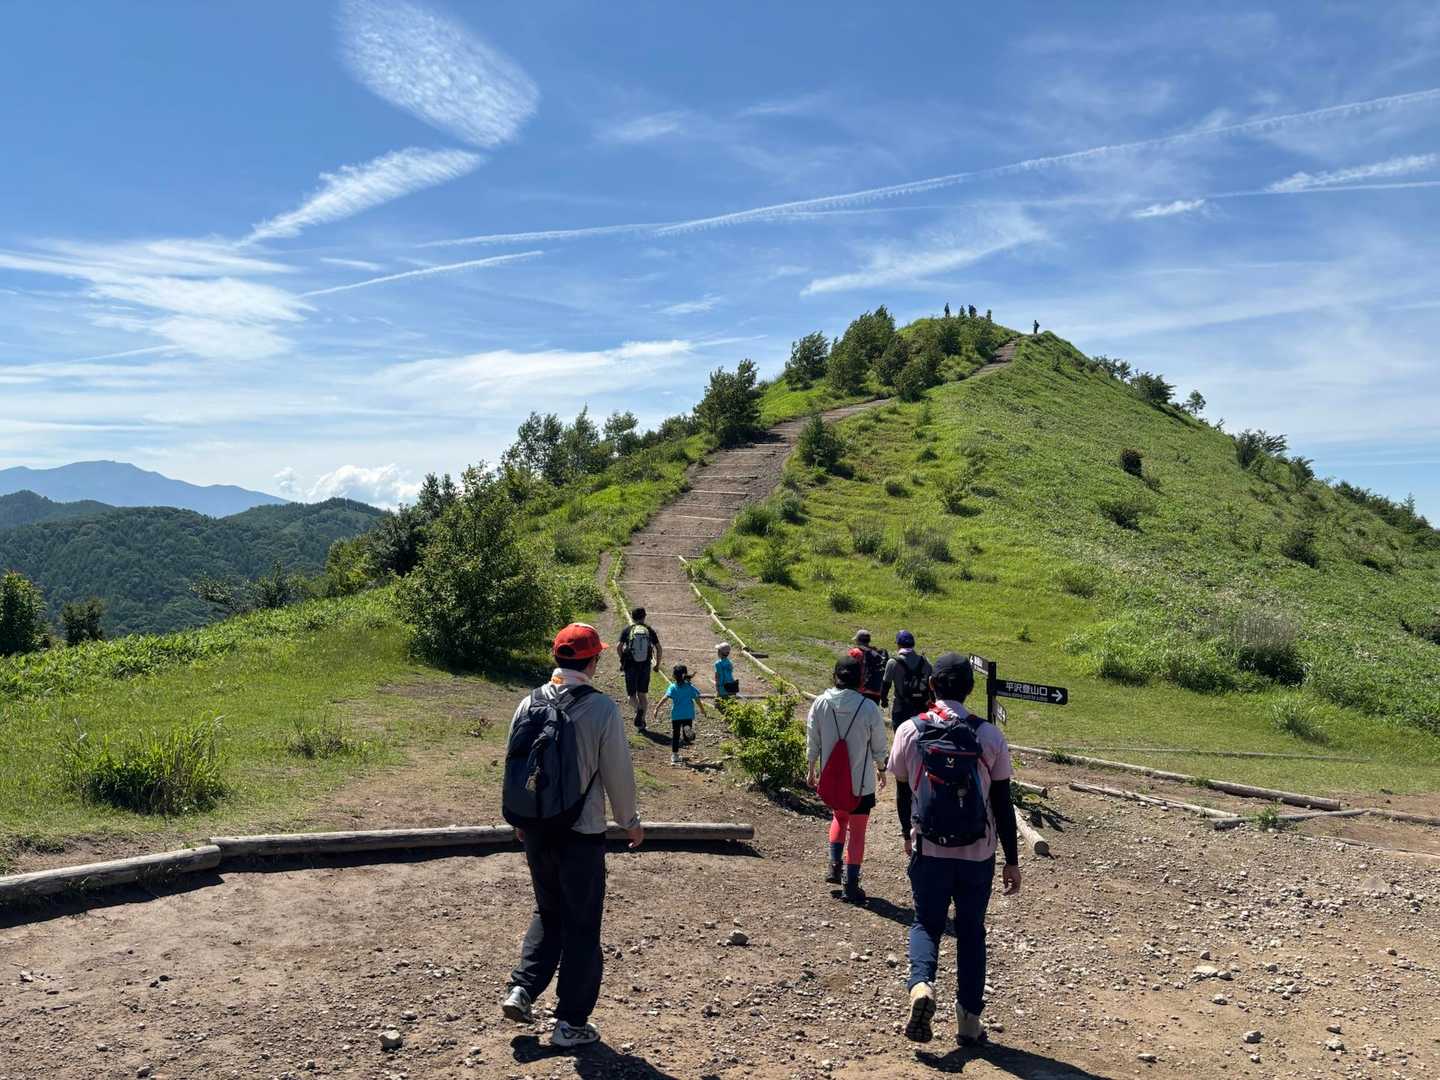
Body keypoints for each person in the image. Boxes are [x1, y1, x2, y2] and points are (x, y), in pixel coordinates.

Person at [501, 623, 644, 1049]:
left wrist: (521, 819)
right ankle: (570, 1023)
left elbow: (514, 766)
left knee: (548, 911)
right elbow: (617, 771)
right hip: (581, 833)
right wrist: (630, 821)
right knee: (582, 925)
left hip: (537, 829)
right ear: (593, 661)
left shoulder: (528, 702)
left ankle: (522, 988)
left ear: (557, 658)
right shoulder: (601, 709)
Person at [888, 652, 1020, 1047]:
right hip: (978, 853)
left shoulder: (910, 730)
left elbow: (902, 793)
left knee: (926, 924)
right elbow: (1002, 803)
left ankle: (921, 985)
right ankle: (968, 1021)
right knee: (971, 932)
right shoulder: (989, 736)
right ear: (970, 688)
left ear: (932, 685)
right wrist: (1012, 861)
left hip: (929, 848)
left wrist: (907, 834)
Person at [806, 654, 888, 904]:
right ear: (860, 679)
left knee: (838, 818)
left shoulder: (820, 702)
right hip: (860, 782)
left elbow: (812, 738)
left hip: (832, 779)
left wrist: (811, 768)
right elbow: (879, 744)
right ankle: (851, 884)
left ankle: (834, 866)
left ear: (835, 676)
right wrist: (881, 768)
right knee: (858, 832)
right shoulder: (868, 708)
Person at [617, 607, 662, 729]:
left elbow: (619, 647)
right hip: (645, 665)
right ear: (644, 617)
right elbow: (659, 648)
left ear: (632, 617)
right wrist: (657, 664)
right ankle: (642, 722)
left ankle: (638, 709)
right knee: (642, 694)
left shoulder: (628, 630)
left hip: (630, 665)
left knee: (631, 695)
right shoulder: (649, 630)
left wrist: (622, 660)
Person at [653, 663, 706, 765]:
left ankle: (674, 755)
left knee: (676, 735)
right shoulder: (690, 687)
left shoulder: (672, 687)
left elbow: (665, 698)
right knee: (687, 737)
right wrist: (702, 709)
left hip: (676, 715)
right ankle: (687, 731)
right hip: (688, 714)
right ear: (685, 675)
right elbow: (697, 699)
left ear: (673, 676)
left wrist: (656, 708)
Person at [847, 629, 888, 707]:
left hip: (860, 692)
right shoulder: (876, 653)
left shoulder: (855, 652)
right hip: (875, 692)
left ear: (858, 640)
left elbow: (846, 668)